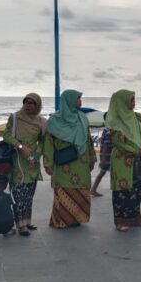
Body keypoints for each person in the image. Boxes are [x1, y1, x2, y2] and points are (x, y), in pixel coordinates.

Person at [43, 90, 96, 229]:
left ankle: (76, 219)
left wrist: (92, 158)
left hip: (82, 162)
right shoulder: (54, 120)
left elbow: (88, 140)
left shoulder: (82, 118)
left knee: (81, 191)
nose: (80, 101)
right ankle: (61, 221)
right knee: (64, 192)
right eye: (77, 99)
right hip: (63, 164)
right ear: (68, 100)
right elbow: (48, 143)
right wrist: (47, 163)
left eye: (80, 98)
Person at [1, 93, 47, 236]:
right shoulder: (15, 117)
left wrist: (36, 155)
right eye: (26, 102)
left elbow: (43, 141)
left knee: (29, 194)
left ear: (37, 105)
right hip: (17, 160)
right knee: (19, 194)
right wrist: (21, 147)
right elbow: (7, 136)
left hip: (32, 162)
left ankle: (26, 221)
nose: (28, 106)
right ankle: (20, 225)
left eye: (32, 103)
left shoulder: (41, 121)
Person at [106, 89, 141, 232]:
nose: (134, 102)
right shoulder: (114, 121)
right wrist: (137, 150)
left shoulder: (136, 118)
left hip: (137, 159)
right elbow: (118, 142)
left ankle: (135, 219)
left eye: (134, 99)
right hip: (122, 160)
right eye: (131, 100)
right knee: (122, 191)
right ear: (121, 102)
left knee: (137, 190)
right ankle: (120, 221)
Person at [91, 113, 111, 197]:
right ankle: (93, 190)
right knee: (103, 172)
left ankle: (93, 189)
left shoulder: (107, 129)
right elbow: (106, 144)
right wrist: (103, 158)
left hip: (105, 155)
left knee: (102, 172)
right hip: (107, 156)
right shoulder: (108, 130)